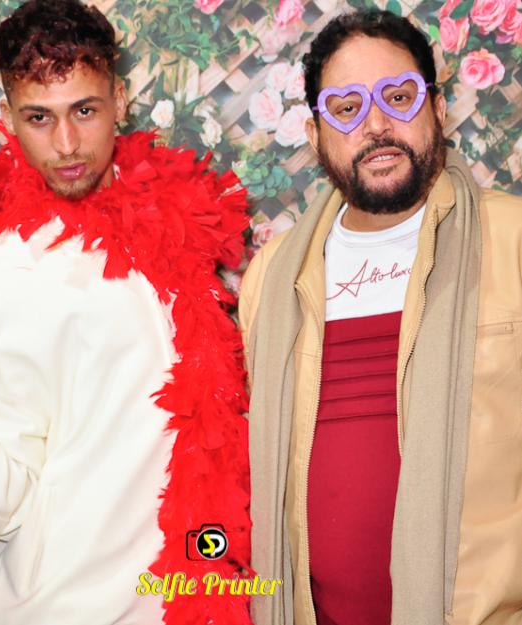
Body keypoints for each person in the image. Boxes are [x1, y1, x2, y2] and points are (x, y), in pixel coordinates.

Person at [0, 1, 253, 623]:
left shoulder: (175, 225)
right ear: (9, 117)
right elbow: (4, 507)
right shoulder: (6, 270)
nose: (65, 144)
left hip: (188, 599)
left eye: (84, 111)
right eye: (40, 117)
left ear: (120, 100)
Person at [240, 9, 522, 625]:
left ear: (437, 109)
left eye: (398, 97)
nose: (375, 125)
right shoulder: (272, 278)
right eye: (346, 108)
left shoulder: (513, 240)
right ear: (315, 134)